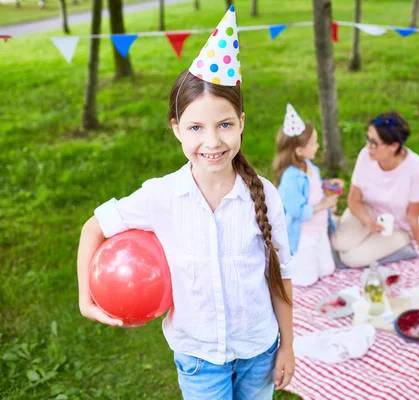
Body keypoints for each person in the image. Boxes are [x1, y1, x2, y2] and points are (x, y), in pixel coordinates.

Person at [76, 7, 295, 399]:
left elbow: (280, 276)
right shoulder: (161, 196)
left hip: (259, 350)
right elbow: (93, 227)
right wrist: (84, 299)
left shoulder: (264, 195)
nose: (212, 142)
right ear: (177, 129)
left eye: (225, 125)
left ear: (242, 122)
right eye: (196, 128)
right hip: (198, 359)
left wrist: (288, 345)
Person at [331, 111, 419, 268]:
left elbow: (413, 217)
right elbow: (354, 199)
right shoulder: (366, 156)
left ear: (394, 146)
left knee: (351, 258)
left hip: (397, 226)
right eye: (368, 139)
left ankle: (399, 247)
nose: (367, 147)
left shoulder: (416, 169)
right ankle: (340, 226)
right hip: (367, 210)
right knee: (339, 243)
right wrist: (369, 223)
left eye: (374, 143)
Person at [274, 104, 342, 286]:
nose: (318, 146)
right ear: (299, 150)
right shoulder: (290, 179)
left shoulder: (310, 168)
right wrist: (325, 205)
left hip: (320, 231)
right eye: (314, 143)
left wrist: (329, 186)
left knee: (328, 270)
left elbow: (315, 189)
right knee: (306, 280)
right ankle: (283, 268)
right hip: (304, 236)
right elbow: (298, 211)